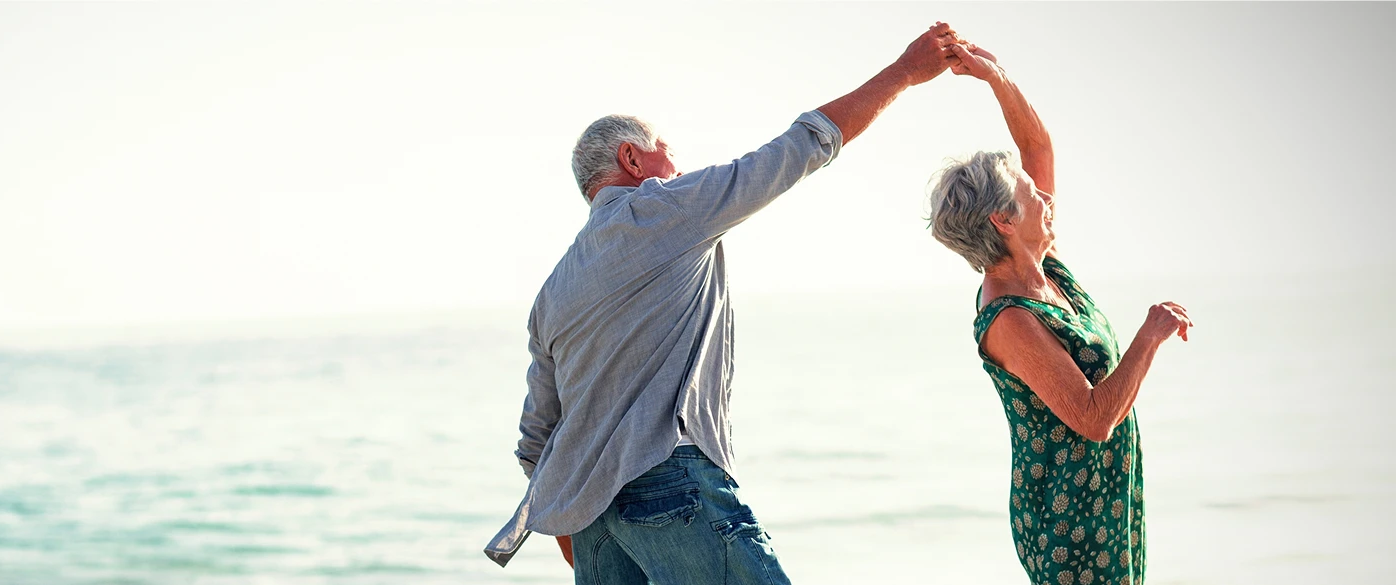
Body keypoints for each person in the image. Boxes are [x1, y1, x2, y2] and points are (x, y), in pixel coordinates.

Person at [483, 22, 966, 583]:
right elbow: (799, 148)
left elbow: (535, 438)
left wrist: (577, 534)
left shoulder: (552, 291)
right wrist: (906, 71)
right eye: (668, 154)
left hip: (590, 520)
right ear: (632, 161)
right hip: (669, 483)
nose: (680, 170)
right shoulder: (664, 209)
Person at [927, 41, 1192, 585]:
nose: (1045, 199)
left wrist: (996, 77)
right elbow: (1094, 420)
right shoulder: (1009, 317)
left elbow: (1037, 147)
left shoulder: (1043, 266)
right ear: (1004, 219)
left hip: (1106, 499)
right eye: (1032, 195)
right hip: (1068, 515)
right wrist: (1149, 335)